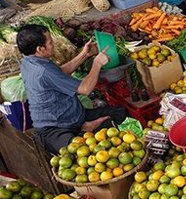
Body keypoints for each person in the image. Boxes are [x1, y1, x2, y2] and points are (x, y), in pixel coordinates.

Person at [16, 25, 126, 154]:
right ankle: (84, 129)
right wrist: (97, 64)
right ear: (40, 49)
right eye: (50, 42)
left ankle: (84, 127)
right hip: (54, 128)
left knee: (120, 113)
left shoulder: (29, 61)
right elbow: (85, 89)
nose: (53, 44)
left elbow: (60, 72)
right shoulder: (42, 71)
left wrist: (84, 55)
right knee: (79, 153)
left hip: (73, 116)